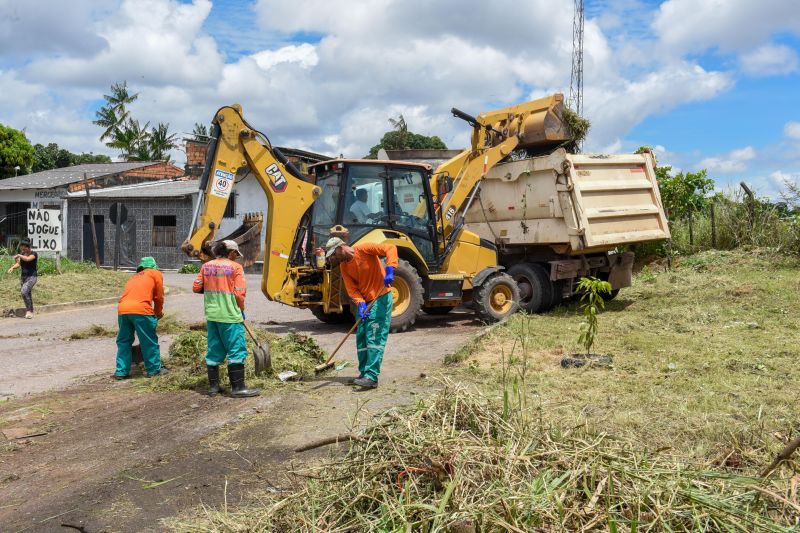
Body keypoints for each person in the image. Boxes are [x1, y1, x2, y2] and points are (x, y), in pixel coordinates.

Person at [326, 234, 398, 389]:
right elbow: (352, 289)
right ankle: (364, 372)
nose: (334, 258)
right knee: (361, 336)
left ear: (340, 247)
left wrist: (390, 268)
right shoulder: (344, 267)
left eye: (334, 254)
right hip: (365, 302)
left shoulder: (364, 249)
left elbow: (390, 248)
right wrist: (361, 304)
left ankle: (372, 377)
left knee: (374, 335)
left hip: (381, 296)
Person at [193, 240, 260, 398]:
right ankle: (238, 388)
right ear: (230, 252)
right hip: (230, 316)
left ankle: (214, 388)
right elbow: (239, 294)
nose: (236, 257)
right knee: (236, 350)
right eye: (236, 254)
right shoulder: (235, 268)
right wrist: (241, 309)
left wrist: (214, 285)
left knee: (214, 351)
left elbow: (196, 287)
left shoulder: (206, 266)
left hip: (212, 315)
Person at [114, 257, 165, 379]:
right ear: (153, 266)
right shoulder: (155, 273)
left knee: (124, 341)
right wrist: (158, 313)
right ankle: (153, 370)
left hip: (123, 310)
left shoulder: (134, 277)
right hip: (141, 310)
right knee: (148, 340)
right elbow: (159, 297)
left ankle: (121, 371)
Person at [6, 239, 38, 319]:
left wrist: (19, 255)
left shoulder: (34, 254)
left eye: (24, 249)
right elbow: (19, 263)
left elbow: (27, 259)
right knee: (27, 294)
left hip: (32, 277)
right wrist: (12, 267)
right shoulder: (23, 254)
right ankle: (29, 311)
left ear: (28, 247)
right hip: (23, 277)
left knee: (24, 291)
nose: (23, 250)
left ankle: (29, 311)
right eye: (22, 249)